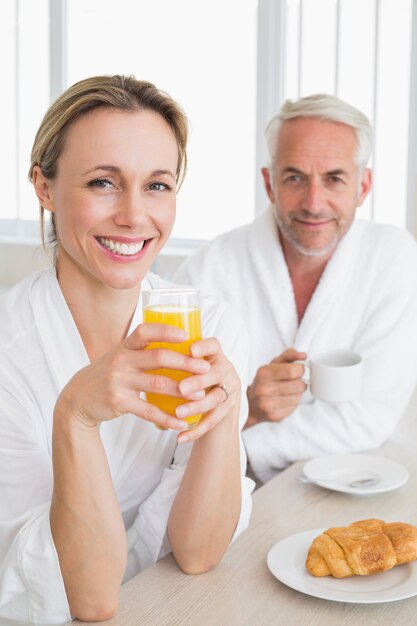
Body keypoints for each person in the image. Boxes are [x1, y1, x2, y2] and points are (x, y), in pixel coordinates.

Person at [0, 75, 253, 625]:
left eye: (157, 185)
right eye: (102, 183)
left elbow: (198, 553)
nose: (135, 216)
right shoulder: (8, 354)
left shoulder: (208, 327)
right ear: (43, 187)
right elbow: (87, 601)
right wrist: (75, 416)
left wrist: (223, 418)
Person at [175, 93, 417, 485]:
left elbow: (371, 415)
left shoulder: (392, 258)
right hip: (224, 492)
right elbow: (169, 426)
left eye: (334, 178)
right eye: (295, 177)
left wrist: (241, 436)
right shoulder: (209, 268)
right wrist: (247, 409)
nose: (313, 202)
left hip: (361, 480)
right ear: (270, 184)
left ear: (363, 185)